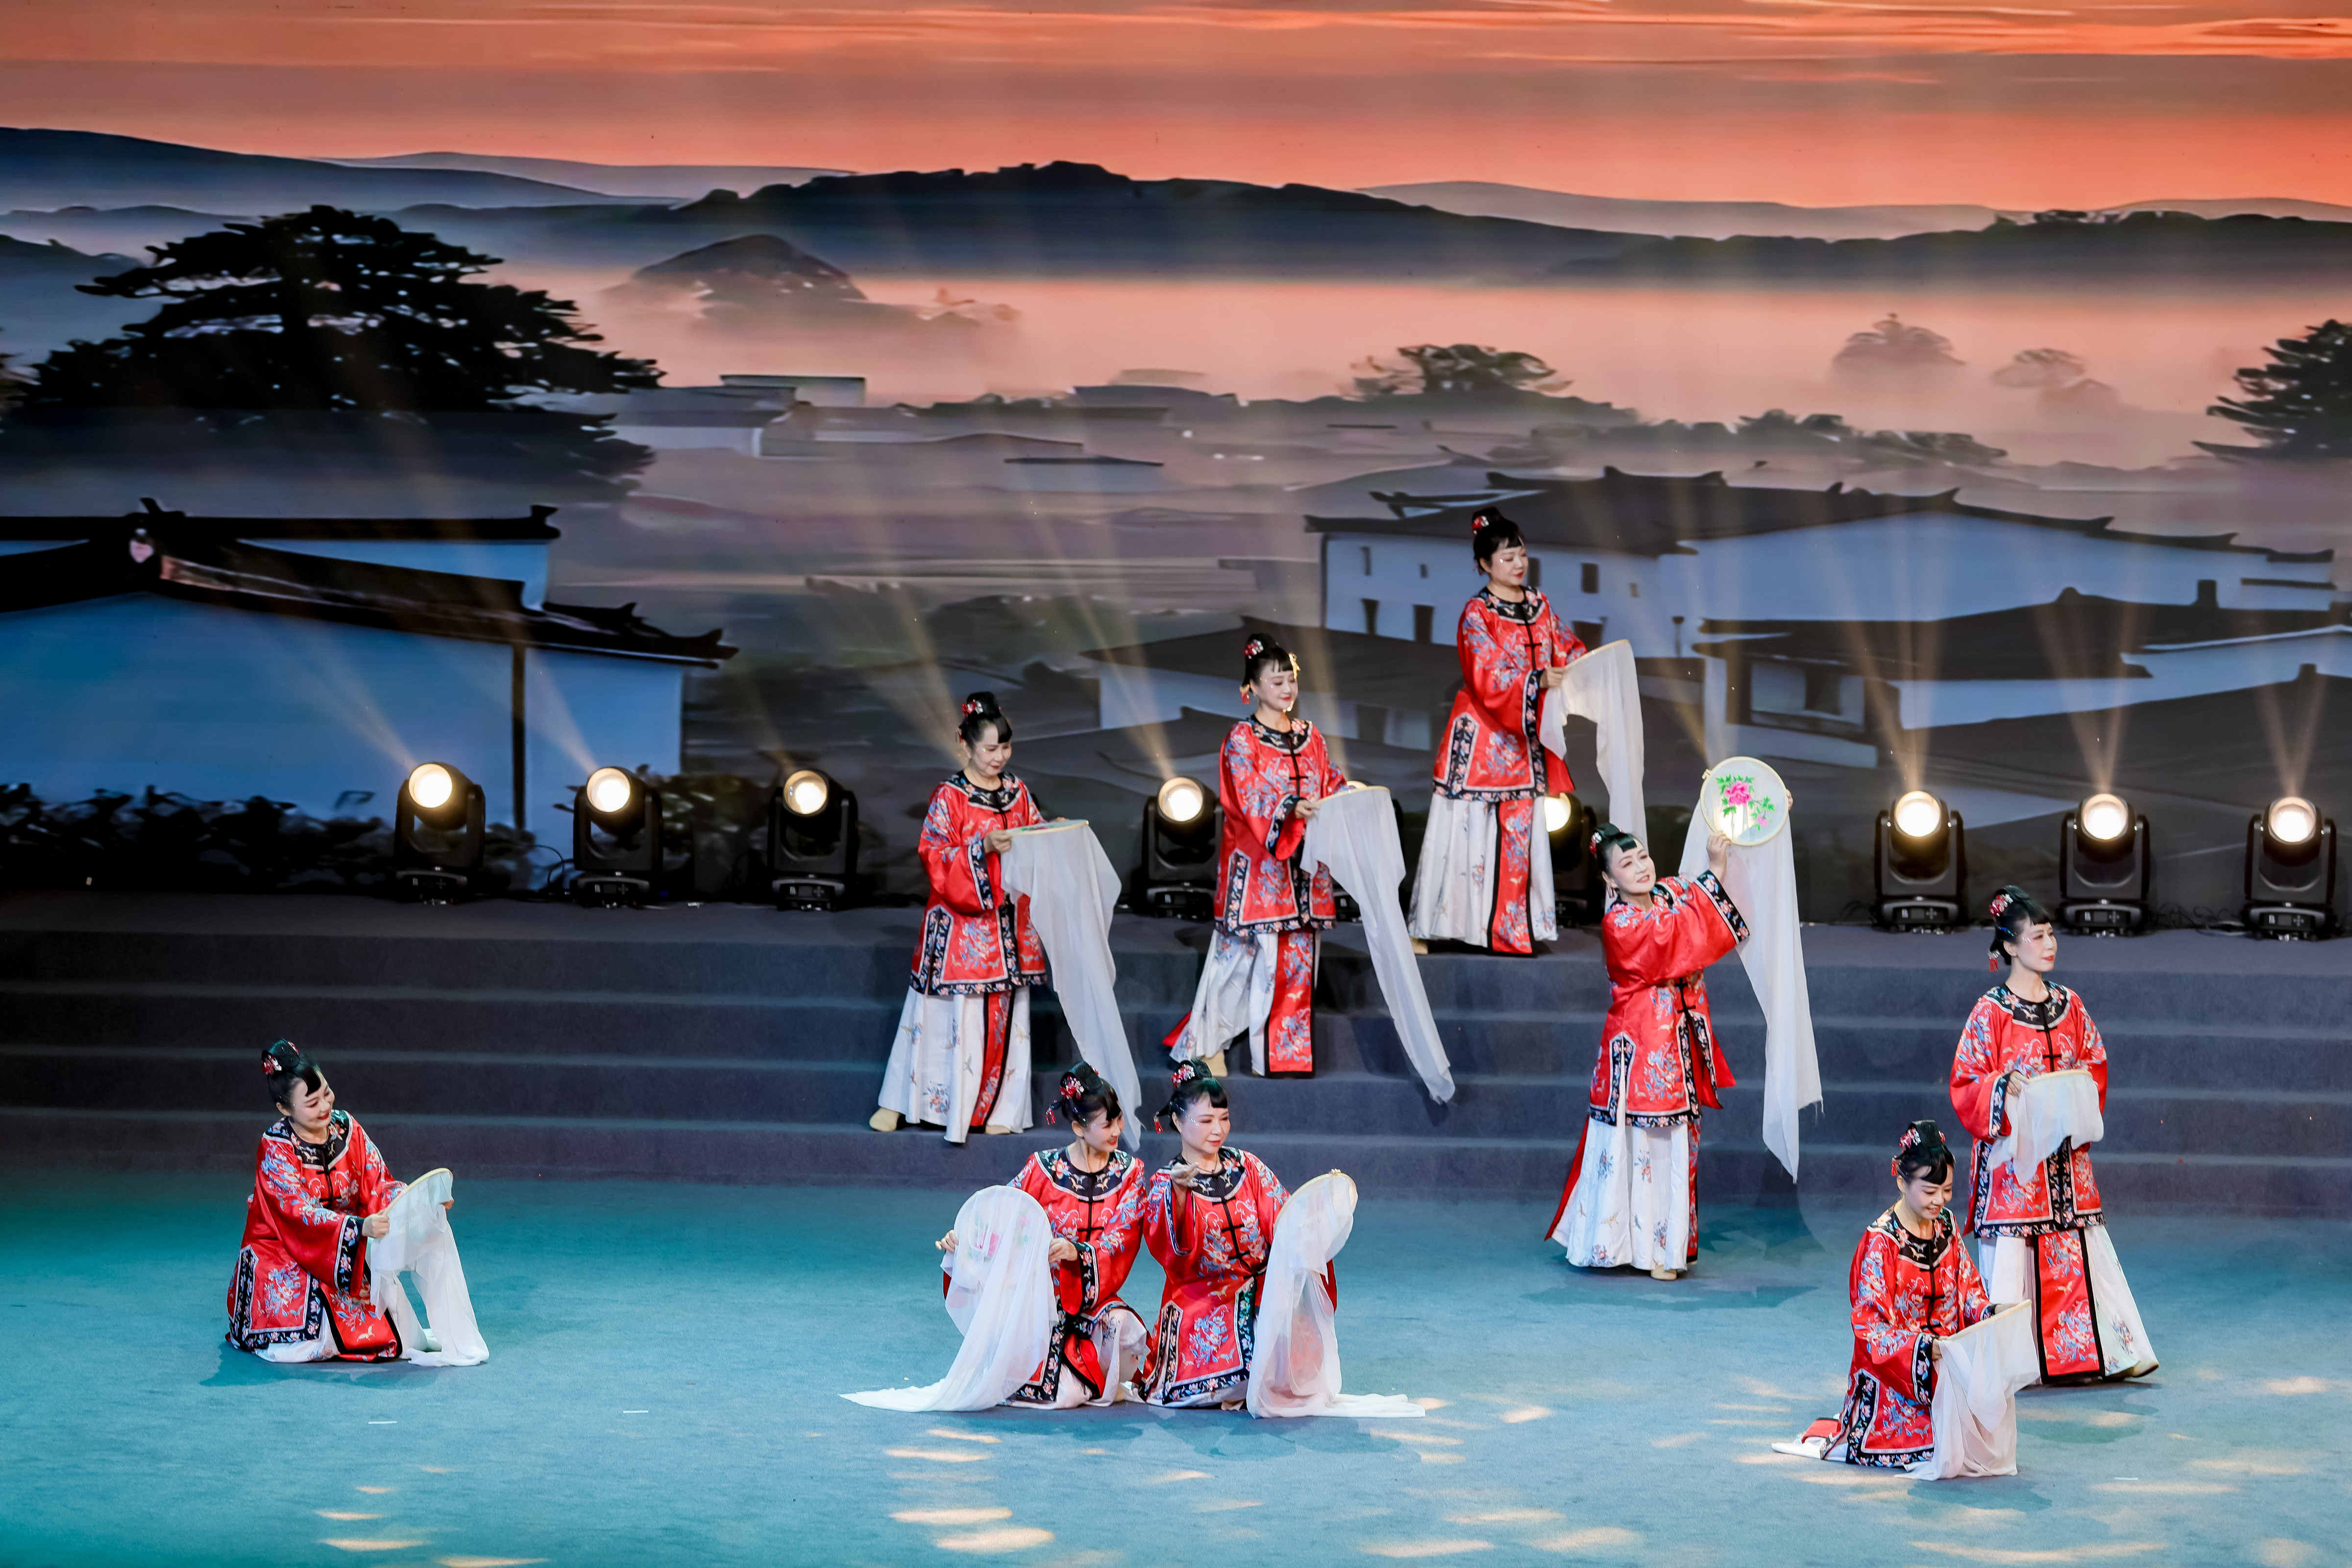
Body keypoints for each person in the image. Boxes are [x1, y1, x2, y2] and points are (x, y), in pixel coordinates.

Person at [1952, 887, 2157, 1382]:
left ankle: (2099, 1355)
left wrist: (2077, 1087)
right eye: (2038, 936)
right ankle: (2014, 1364)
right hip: (2017, 1165)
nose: (2049, 945)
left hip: (2066, 1159)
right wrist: (2003, 1087)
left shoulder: (2071, 1004)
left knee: (2079, 1246)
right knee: (2015, 1256)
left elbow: (2095, 1058)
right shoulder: (1991, 1011)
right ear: (2009, 946)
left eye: (2051, 935)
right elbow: (1967, 1080)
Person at [1545, 820, 1742, 1279]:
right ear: (1609, 879)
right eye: (1626, 863)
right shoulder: (1621, 922)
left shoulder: (1668, 894)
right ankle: (1645, 1250)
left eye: (1643, 857)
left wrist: (1763, 820)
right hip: (1641, 1047)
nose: (1640, 868)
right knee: (1645, 1143)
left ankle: (1665, 1249)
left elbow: (1705, 892)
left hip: (1676, 1040)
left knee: (1672, 1144)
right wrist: (1714, 874)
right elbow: (1678, 935)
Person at [1163, 636, 1347, 1078]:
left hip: (1304, 871)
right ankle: (1203, 1046)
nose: (1287, 689)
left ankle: (1286, 1056)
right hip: (1259, 871)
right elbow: (1249, 796)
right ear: (1252, 686)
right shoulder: (1241, 740)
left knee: (1298, 961)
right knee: (1236, 964)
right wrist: (1290, 808)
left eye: (1291, 680)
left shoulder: (1311, 736)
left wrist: (1347, 798)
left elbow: (1330, 780)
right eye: (1276, 681)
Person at [1409, 508, 1588, 955]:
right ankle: (1439, 926)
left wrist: (1586, 666)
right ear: (1484, 564)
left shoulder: (1540, 605)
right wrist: (1537, 680)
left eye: (1522, 554)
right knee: (1463, 836)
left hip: (1524, 742)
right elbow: (1487, 673)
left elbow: (1566, 648)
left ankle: (1512, 932)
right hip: (1482, 742)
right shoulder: (1477, 613)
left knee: (1519, 838)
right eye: (1507, 558)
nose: (1518, 563)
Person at [874, 692, 1047, 1140]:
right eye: (990, 748)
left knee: (1006, 1023)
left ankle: (1000, 1110)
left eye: (1005, 747)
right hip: (961, 929)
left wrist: (1048, 835)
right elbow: (934, 854)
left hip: (1006, 931)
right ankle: (907, 1103)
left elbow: (1034, 837)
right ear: (965, 743)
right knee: (941, 1021)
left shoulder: (1017, 792)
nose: (999, 757)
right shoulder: (949, 797)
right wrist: (981, 848)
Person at [933, 1064, 1150, 1406]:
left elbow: (1123, 1236)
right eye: (1107, 1123)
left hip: (1094, 1299)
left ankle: (1091, 1374)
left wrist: (1077, 1253)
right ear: (1079, 1128)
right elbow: (1001, 1217)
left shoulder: (1130, 1173)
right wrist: (964, 1240)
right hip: (1041, 1299)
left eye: (1119, 1119)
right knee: (1064, 1396)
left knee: (1127, 1330)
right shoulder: (1042, 1169)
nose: (1118, 1130)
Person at [225, 1040, 445, 1362]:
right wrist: (358, 1228)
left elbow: (377, 1183)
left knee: (397, 1330)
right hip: (284, 1248)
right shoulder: (275, 1147)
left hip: (344, 1243)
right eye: (312, 1102)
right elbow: (297, 1213)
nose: (325, 1106)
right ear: (285, 1109)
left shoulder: (347, 1128)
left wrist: (418, 1203)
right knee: (305, 1337)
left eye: (327, 1093)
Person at [1809, 1120, 1997, 1468]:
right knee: (1940, 1447)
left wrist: (1990, 1313)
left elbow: (1968, 1288)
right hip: (1899, 1375)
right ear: (1902, 1182)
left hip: (1948, 1365)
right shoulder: (1882, 1242)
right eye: (1929, 1191)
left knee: (1988, 1432)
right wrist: (1924, 1349)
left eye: (1947, 1190)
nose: (1940, 1200)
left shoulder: (1947, 1225)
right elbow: (1870, 1327)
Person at [1139, 1062, 1320, 1409]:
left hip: (1258, 1293)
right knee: (1252, 1375)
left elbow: (1282, 1218)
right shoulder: (1166, 1182)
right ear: (1178, 1120)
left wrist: (1312, 1225)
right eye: (1206, 1121)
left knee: (1283, 1365)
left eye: (1224, 1119)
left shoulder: (1247, 1166)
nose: (1218, 1130)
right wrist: (1180, 1196)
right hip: (1202, 1299)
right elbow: (1172, 1256)